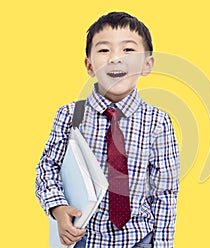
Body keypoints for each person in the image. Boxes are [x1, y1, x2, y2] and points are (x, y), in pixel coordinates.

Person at [35, 11, 180, 248]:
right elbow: (47, 167)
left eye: (128, 50)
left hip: (138, 239)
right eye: (104, 50)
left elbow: (164, 194)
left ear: (147, 64)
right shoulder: (70, 115)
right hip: (83, 239)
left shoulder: (159, 123)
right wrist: (57, 207)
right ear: (89, 65)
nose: (115, 58)